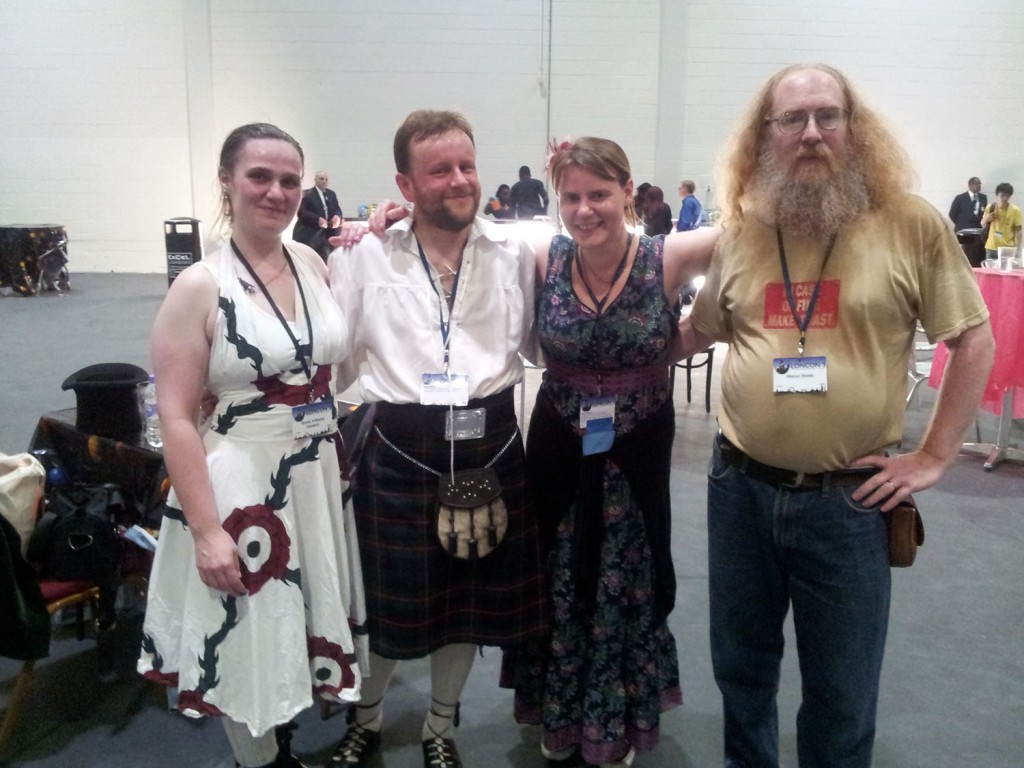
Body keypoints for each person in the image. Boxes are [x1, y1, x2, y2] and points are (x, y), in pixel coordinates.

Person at [676, 64, 994, 768]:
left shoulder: (908, 222)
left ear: (855, 127)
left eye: (828, 115)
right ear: (767, 136)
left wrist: (935, 456)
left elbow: (973, 339)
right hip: (739, 491)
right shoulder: (744, 228)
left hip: (849, 502)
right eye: (793, 120)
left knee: (842, 693)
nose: (812, 132)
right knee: (741, 671)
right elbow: (695, 332)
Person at [138, 124, 368, 768]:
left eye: (289, 180)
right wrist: (208, 530)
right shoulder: (200, 287)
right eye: (259, 177)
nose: (276, 192)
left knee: (294, 621)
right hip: (243, 486)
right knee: (248, 629)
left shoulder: (314, 264)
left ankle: (281, 744)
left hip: (316, 471)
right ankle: (258, 760)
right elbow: (178, 417)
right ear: (226, 183)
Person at [327, 110, 547, 768]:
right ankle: (365, 719)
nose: (460, 180)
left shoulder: (514, 253)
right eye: (440, 169)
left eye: (467, 166)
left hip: (493, 443)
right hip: (399, 451)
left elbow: (538, 345)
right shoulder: (364, 254)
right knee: (387, 607)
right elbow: (336, 364)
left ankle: (439, 728)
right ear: (405, 181)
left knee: (467, 609)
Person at [501, 137, 720, 768]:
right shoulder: (546, 252)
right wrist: (386, 221)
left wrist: (688, 336)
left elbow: (756, 235)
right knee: (559, 569)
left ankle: (616, 714)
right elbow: (468, 243)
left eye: (599, 194)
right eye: (570, 196)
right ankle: (558, 709)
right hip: (558, 440)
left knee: (630, 574)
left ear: (629, 191)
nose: (584, 208)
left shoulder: (667, 255)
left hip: (639, 442)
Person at [292, 170, 344, 260]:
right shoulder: (307, 194)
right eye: (321, 179)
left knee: (325, 260)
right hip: (309, 235)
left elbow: (337, 209)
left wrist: (337, 216)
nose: (324, 181)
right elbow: (302, 212)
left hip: (326, 235)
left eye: (326, 179)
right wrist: (317, 219)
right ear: (315, 180)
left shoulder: (331, 194)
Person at [949, 177, 987, 266]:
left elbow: (985, 212)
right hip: (964, 232)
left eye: (980, 184)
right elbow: (952, 214)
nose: (979, 186)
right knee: (964, 254)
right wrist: (962, 224)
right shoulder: (960, 198)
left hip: (978, 232)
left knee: (976, 254)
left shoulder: (983, 198)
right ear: (970, 185)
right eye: (976, 184)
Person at [980, 181, 1022, 262]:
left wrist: (1018, 249)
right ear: (997, 195)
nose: (1005, 198)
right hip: (991, 247)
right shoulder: (990, 208)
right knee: (991, 272)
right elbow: (982, 224)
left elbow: (1018, 230)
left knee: (1006, 272)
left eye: (1007, 196)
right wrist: (986, 219)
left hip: (1008, 248)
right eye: (1002, 195)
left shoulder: (1015, 210)